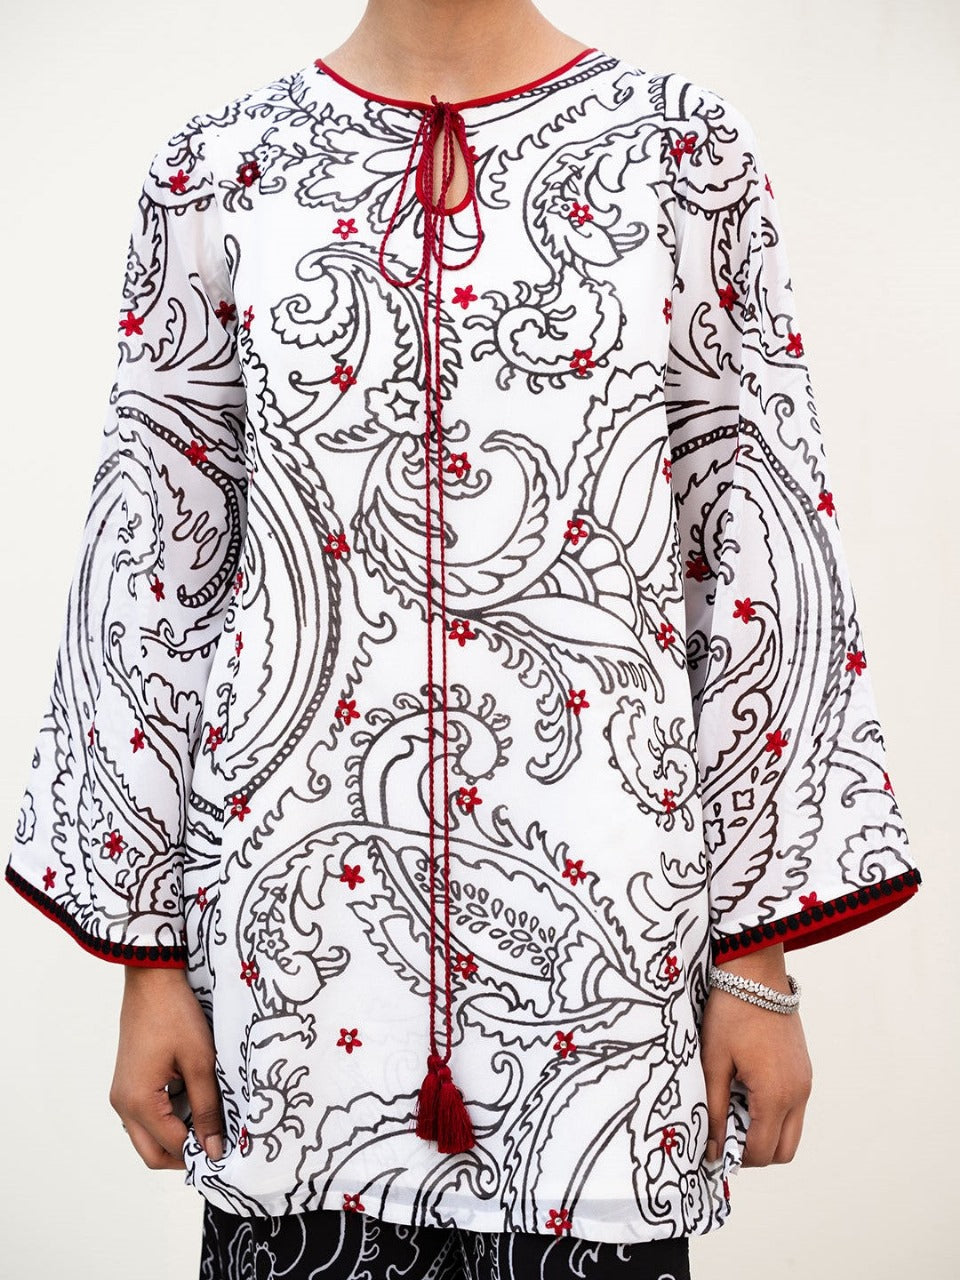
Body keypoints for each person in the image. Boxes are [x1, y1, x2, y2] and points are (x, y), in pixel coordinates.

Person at [4, 2, 922, 1277]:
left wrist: (755, 961)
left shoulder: (678, 148)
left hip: (604, 987)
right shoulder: (217, 168)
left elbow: (757, 553)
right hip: (296, 987)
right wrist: (149, 960)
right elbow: (153, 573)